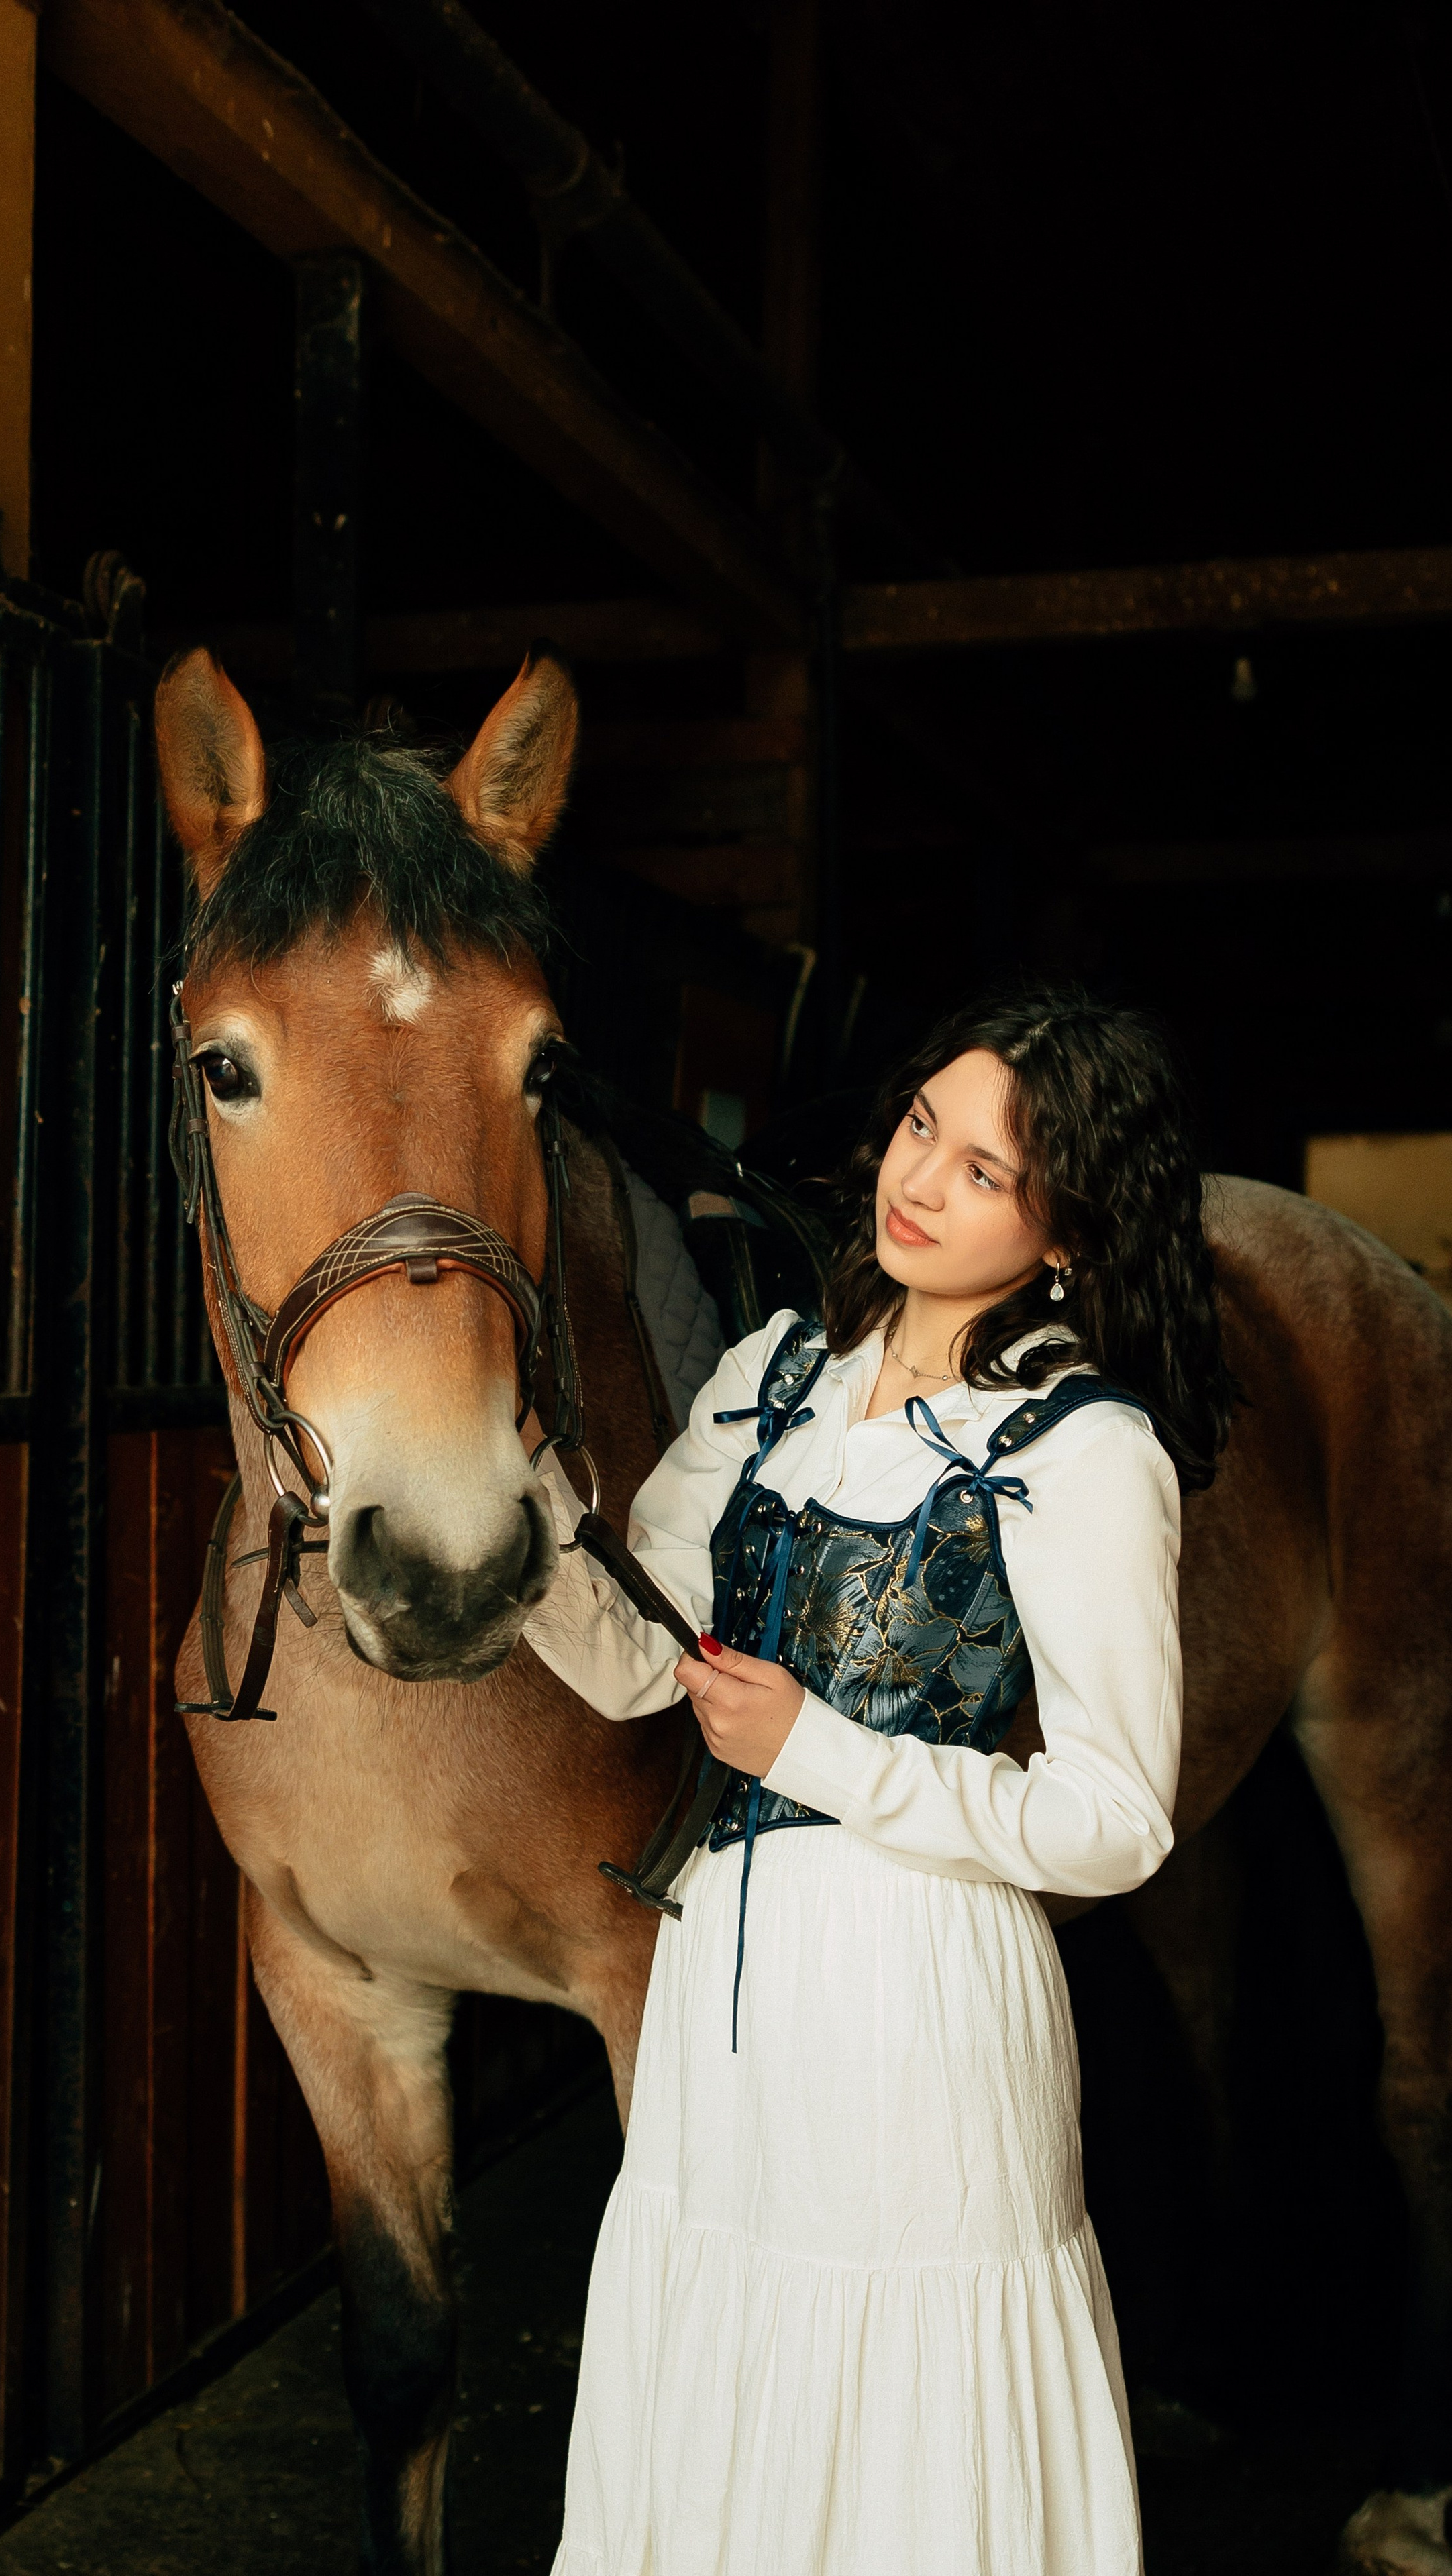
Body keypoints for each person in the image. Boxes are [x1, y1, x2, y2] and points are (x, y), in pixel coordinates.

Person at [523, 987, 1233, 2576]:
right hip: (720, 1984)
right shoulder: (773, 1374)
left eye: (984, 1171)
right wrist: (512, 1525)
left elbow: (1115, 1821)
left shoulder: (1078, 1450)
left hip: (917, 1995)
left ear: (1065, 1235)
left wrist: (820, 1753)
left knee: (902, 2413)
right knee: (717, 2365)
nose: (919, 1181)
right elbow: (643, 1660)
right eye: (922, 1127)